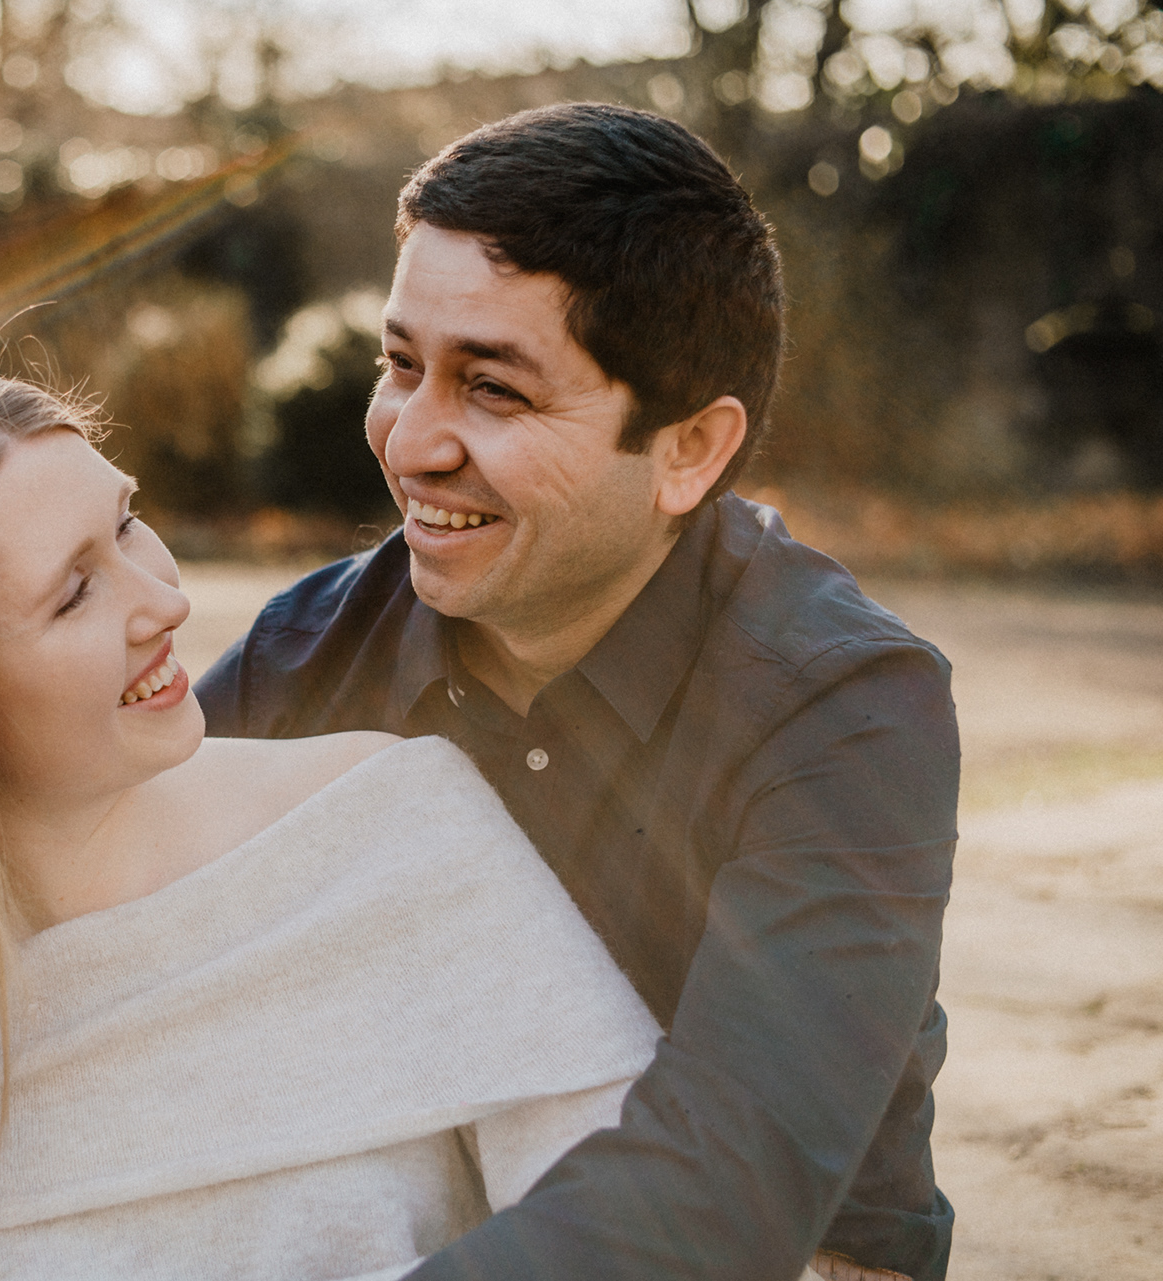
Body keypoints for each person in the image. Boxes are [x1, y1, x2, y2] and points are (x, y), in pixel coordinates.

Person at [0, 370, 669, 1281]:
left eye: (128, 522)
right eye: (74, 592)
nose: (164, 600)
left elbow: (641, 1231)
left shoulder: (393, 835)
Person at [197, 103, 959, 1281]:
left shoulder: (846, 707)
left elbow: (727, 1189)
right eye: (400, 366)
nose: (409, 442)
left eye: (494, 391)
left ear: (688, 451)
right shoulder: (306, 655)